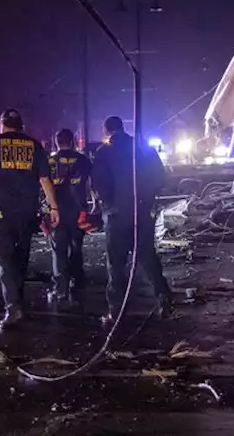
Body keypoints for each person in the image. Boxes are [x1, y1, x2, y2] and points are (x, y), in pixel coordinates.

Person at [0, 109, 60, 330]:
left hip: (0, 213)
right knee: (21, 256)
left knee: (4, 259)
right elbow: (45, 179)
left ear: (2, 125)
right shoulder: (34, 145)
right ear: (20, 126)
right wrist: (53, 207)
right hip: (27, 213)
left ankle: (13, 306)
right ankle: (18, 299)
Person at [91, 115, 174, 324]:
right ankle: (163, 297)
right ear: (122, 128)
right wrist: (146, 199)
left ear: (106, 131)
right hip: (142, 212)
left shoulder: (104, 152)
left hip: (116, 215)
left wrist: (108, 205)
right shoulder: (143, 148)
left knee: (116, 264)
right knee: (146, 255)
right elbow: (159, 176)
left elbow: (98, 183)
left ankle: (116, 311)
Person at [46, 128, 92, 303]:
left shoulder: (50, 161)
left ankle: (61, 289)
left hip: (56, 211)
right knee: (76, 247)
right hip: (78, 211)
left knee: (59, 250)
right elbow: (92, 184)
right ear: (72, 141)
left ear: (56, 142)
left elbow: (43, 185)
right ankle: (78, 281)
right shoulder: (83, 160)